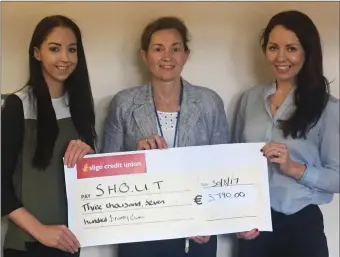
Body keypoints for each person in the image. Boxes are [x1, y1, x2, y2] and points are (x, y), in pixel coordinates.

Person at [102, 16, 229, 257]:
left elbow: (222, 170)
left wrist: (210, 220)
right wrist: (135, 157)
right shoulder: (123, 104)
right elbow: (107, 174)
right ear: (144, 56)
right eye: (158, 49)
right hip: (139, 234)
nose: (167, 56)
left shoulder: (209, 102)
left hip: (195, 234)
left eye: (176, 48)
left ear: (186, 55)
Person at [233, 10, 339, 257]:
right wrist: (237, 216)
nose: (281, 57)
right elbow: (234, 165)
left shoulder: (328, 107)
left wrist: (294, 168)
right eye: (273, 47)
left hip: (302, 227)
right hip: (254, 227)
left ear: (307, 52)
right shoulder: (249, 100)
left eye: (291, 48)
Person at [1, 15, 97, 257]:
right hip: (27, 244)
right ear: (37, 53)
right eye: (55, 48)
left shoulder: (81, 105)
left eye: (72, 49)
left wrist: (90, 156)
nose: (65, 58)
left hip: (71, 242)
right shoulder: (18, 104)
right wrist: (40, 230)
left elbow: (90, 180)